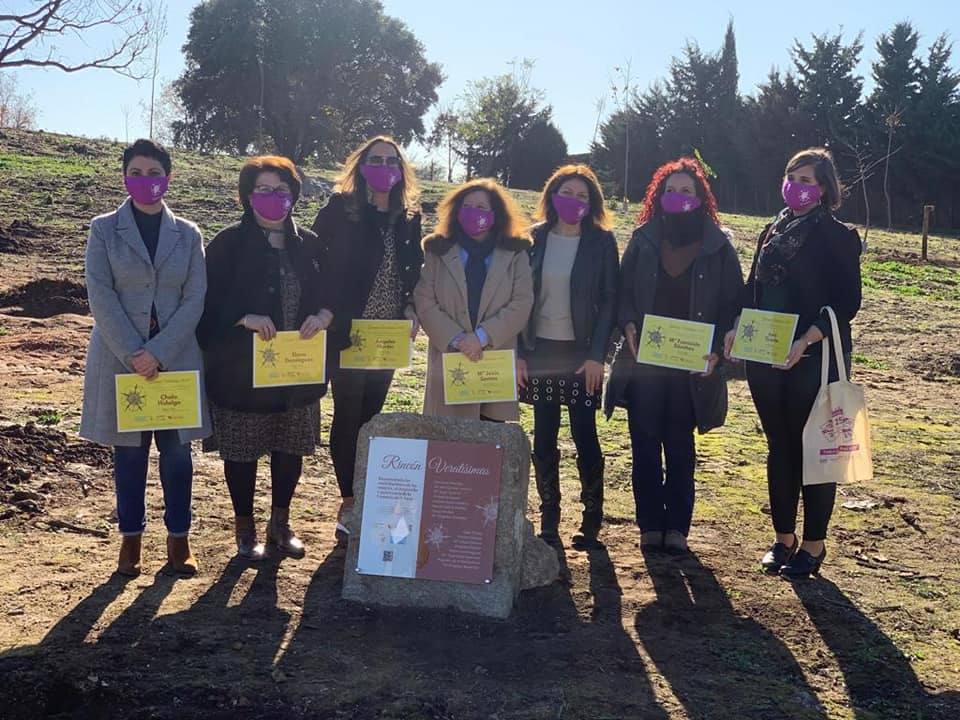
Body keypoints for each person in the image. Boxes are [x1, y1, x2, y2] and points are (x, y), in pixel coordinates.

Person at [725, 147, 862, 578]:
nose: (797, 186)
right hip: (766, 357)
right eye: (792, 177)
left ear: (824, 189)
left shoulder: (838, 236)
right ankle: (783, 538)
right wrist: (735, 326)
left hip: (813, 359)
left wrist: (807, 338)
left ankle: (814, 545)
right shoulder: (771, 230)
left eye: (807, 180)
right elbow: (753, 290)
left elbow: (847, 302)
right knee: (779, 447)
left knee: (815, 451)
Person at [80, 138, 210, 577]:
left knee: (177, 455)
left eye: (154, 174)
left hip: (175, 359)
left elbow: (195, 299)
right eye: (136, 173)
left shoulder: (189, 234)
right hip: (121, 360)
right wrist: (135, 353)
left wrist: (158, 352)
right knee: (130, 455)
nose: (146, 181)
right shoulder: (103, 229)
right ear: (124, 177)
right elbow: (100, 294)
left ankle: (179, 539)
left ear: (168, 179)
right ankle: (131, 541)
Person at [606, 158, 743, 554]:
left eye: (687, 191)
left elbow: (734, 303)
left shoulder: (719, 247)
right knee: (644, 441)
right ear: (658, 196)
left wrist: (719, 350)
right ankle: (650, 524)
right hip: (645, 362)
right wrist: (628, 323)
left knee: (680, 444)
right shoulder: (643, 239)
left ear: (701, 198)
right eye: (670, 190)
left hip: (692, 365)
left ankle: (677, 528)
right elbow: (622, 293)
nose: (678, 197)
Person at [197, 155, 331, 561]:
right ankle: (244, 529)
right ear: (246, 196)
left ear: (294, 196)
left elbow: (330, 294)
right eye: (264, 190)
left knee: (289, 450)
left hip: (297, 373)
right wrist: (242, 318)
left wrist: (324, 315)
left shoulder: (309, 244)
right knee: (241, 453)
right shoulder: (226, 244)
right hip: (241, 375)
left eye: (282, 191)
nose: (274, 198)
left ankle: (280, 524)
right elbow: (203, 308)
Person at [310, 136, 422, 545]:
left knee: (372, 416)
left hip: (388, 332)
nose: (384, 166)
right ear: (360, 166)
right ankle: (350, 499)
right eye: (375, 160)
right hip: (348, 328)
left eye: (392, 160)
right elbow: (318, 262)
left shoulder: (408, 216)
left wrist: (411, 308)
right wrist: (326, 309)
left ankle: (365, 491)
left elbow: (412, 269)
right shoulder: (341, 209)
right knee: (348, 414)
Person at [518, 165, 618, 550]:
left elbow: (610, 300)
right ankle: (549, 517)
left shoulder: (601, 242)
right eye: (567, 193)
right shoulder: (534, 238)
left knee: (584, 433)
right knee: (543, 435)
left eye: (582, 196)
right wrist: (520, 354)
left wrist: (599, 357)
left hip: (582, 353)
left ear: (591, 202)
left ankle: (592, 519)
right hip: (540, 349)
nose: (574, 201)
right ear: (551, 195)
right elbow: (521, 296)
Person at [414, 178, 534, 421]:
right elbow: (425, 300)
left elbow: (521, 302)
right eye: (467, 206)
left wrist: (481, 338)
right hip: (451, 358)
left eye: (481, 207)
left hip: (494, 360)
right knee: (448, 443)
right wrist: (459, 340)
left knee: (489, 446)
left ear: (495, 214)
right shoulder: (438, 250)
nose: (473, 213)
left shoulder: (516, 252)